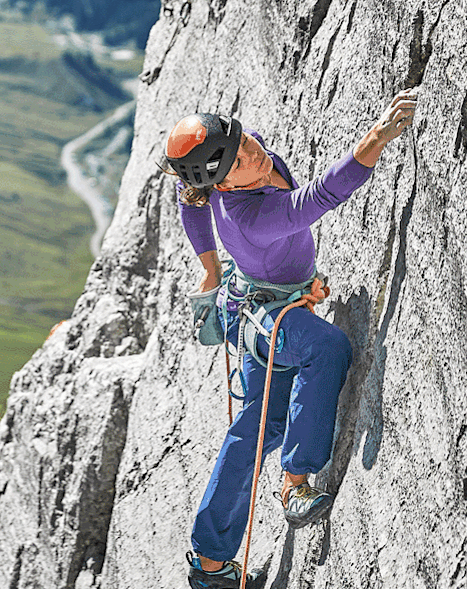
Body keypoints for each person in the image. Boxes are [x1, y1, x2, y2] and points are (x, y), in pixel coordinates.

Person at [162, 89, 418, 588]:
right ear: (220, 182)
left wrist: (209, 269)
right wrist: (376, 138)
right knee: (326, 348)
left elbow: (186, 196)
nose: (252, 154)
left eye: (244, 143)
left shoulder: (233, 163)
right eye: (237, 162)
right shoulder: (250, 215)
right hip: (268, 318)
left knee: (257, 429)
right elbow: (319, 198)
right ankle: (296, 483)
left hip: (257, 303)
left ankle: (210, 561)